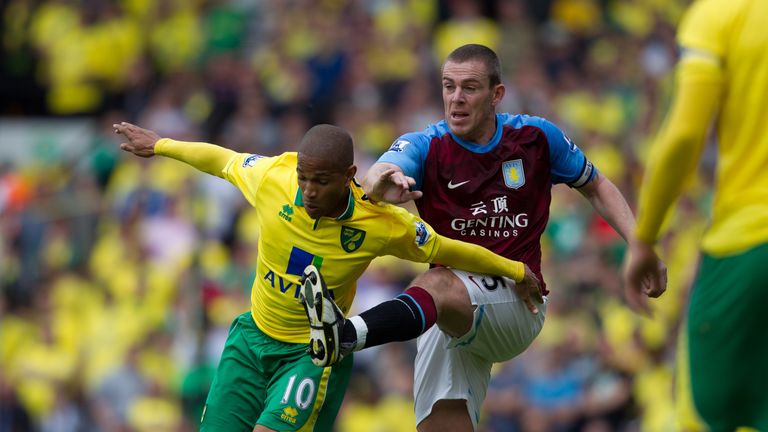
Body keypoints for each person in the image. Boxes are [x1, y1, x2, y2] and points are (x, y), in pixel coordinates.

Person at [307, 43, 668, 431]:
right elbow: (382, 169)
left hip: (517, 300)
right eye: (448, 87)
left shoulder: (535, 138)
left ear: (497, 94)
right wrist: (381, 181)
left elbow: (596, 185)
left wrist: (639, 245)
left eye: (469, 88)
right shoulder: (428, 144)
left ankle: (345, 335)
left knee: (437, 282)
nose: (456, 100)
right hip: (448, 312)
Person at [114, 121, 542, 432]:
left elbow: (446, 249)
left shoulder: (381, 223)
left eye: (321, 181)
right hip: (251, 338)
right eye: (304, 177)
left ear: (350, 177)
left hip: (314, 352)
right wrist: (162, 145)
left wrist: (515, 270)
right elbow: (222, 161)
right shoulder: (273, 179)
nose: (309, 190)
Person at [623, 0, 768, 430]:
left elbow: (686, 134)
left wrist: (645, 237)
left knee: (701, 419)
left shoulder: (722, 14)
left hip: (749, 242)